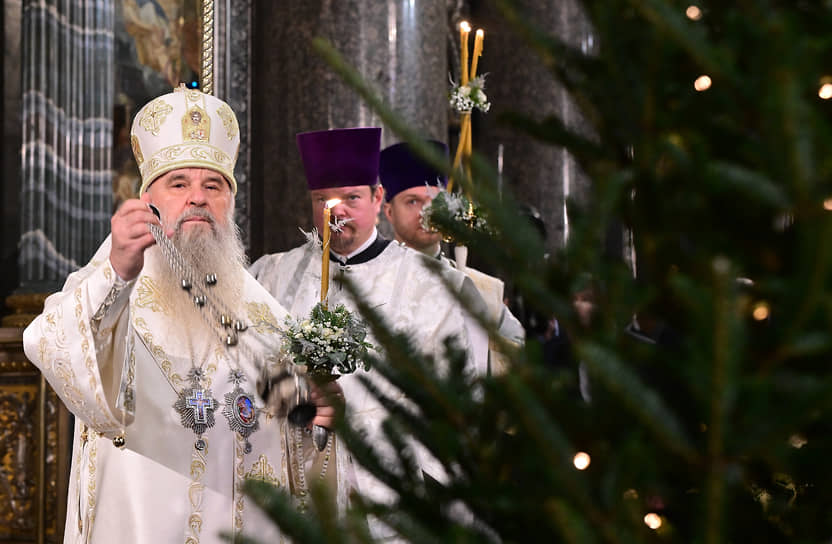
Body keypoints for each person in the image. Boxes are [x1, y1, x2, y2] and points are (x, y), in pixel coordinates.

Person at [23, 85, 339, 543]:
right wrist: (117, 273)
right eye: (179, 184)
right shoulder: (110, 281)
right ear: (148, 197)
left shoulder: (264, 314)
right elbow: (50, 343)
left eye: (214, 185)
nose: (198, 197)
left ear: (230, 202)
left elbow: (302, 437)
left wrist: (320, 414)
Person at [249, 127, 488, 540]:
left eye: (350, 198)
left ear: (378, 199)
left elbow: (455, 396)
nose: (334, 212)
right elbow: (246, 367)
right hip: (287, 489)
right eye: (321, 199)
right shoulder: (271, 274)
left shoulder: (428, 283)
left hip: (385, 498)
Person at [379, 140, 525, 374]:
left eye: (435, 201)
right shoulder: (371, 281)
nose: (427, 212)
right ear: (389, 212)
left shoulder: (483, 289)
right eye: (413, 202)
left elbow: (518, 355)